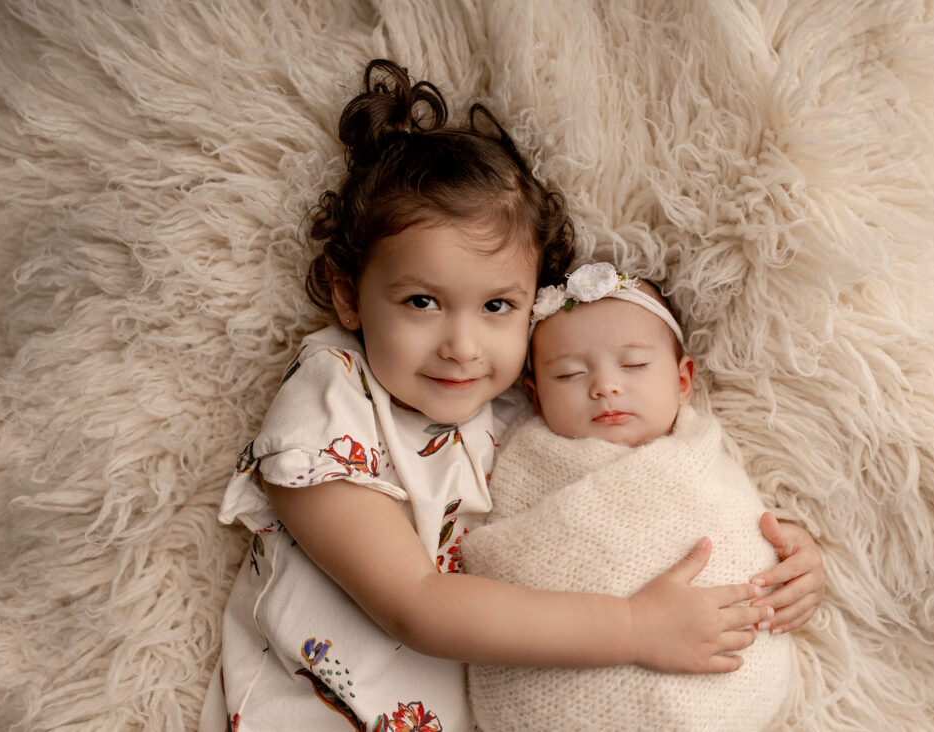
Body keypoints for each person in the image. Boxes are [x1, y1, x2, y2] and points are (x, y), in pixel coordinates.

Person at [200, 61, 821, 732]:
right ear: (350, 294)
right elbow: (416, 603)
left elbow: (646, 497)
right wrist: (634, 626)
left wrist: (774, 557)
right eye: (421, 302)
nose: (463, 346)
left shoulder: (520, 405)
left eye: (497, 305)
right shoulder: (331, 400)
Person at [462, 262, 812, 730]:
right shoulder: (528, 463)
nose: (605, 386)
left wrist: (795, 554)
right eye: (568, 374)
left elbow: (746, 536)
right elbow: (508, 567)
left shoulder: (705, 459)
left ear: (683, 381)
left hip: (719, 688)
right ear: (537, 396)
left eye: (634, 365)